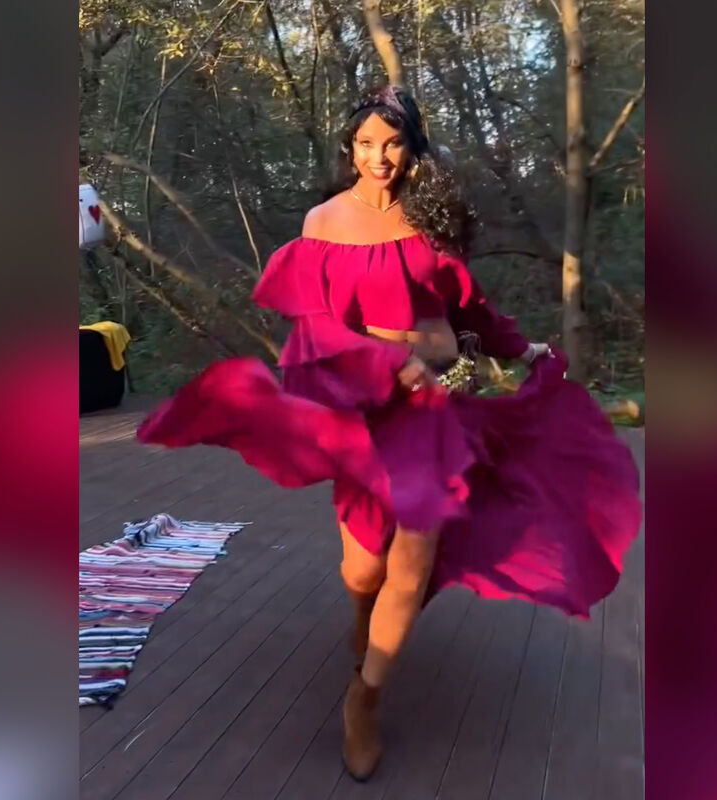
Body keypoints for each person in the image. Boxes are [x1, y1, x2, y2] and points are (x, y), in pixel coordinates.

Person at [137, 85, 642, 781]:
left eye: (394, 142)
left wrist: (519, 349)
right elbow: (316, 327)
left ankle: (364, 699)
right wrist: (390, 362)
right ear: (349, 147)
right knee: (363, 570)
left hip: (433, 408)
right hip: (365, 407)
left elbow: (467, 307)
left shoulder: (431, 218)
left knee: (413, 559)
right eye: (367, 143)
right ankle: (363, 619)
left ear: (412, 147)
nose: (380, 157)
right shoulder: (323, 222)